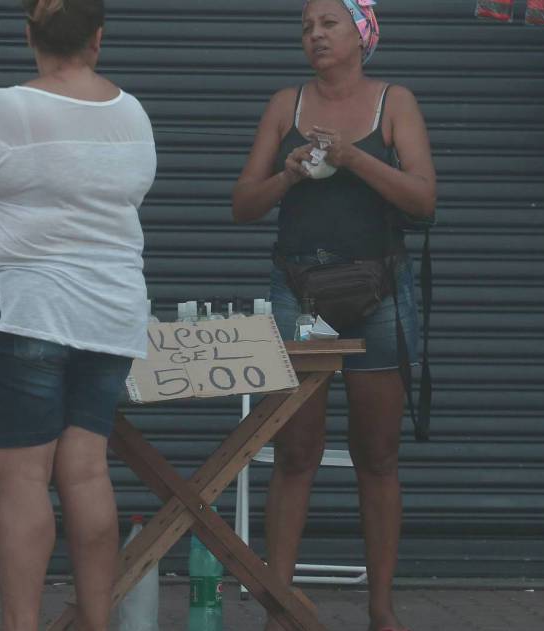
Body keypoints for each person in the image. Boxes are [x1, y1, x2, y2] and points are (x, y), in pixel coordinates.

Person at [0, 0, 157, 628]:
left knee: (22, 480)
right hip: (110, 314)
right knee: (87, 473)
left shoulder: (3, 108)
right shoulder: (132, 113)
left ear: (30, 36)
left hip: (24, 310)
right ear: (98, 38)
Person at [231, 1, 436, 631]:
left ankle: (381, 609)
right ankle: (280, 608)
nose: (314, 35)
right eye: (306, 27)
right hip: (300, 289)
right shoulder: (284, 105)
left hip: (381, 289)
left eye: (328, 24)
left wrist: (353, 157)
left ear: (362, 33)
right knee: (295, 452)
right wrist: (288, 176)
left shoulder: (395, 102)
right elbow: (242, 204)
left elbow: (424, 200)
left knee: (378, 455)